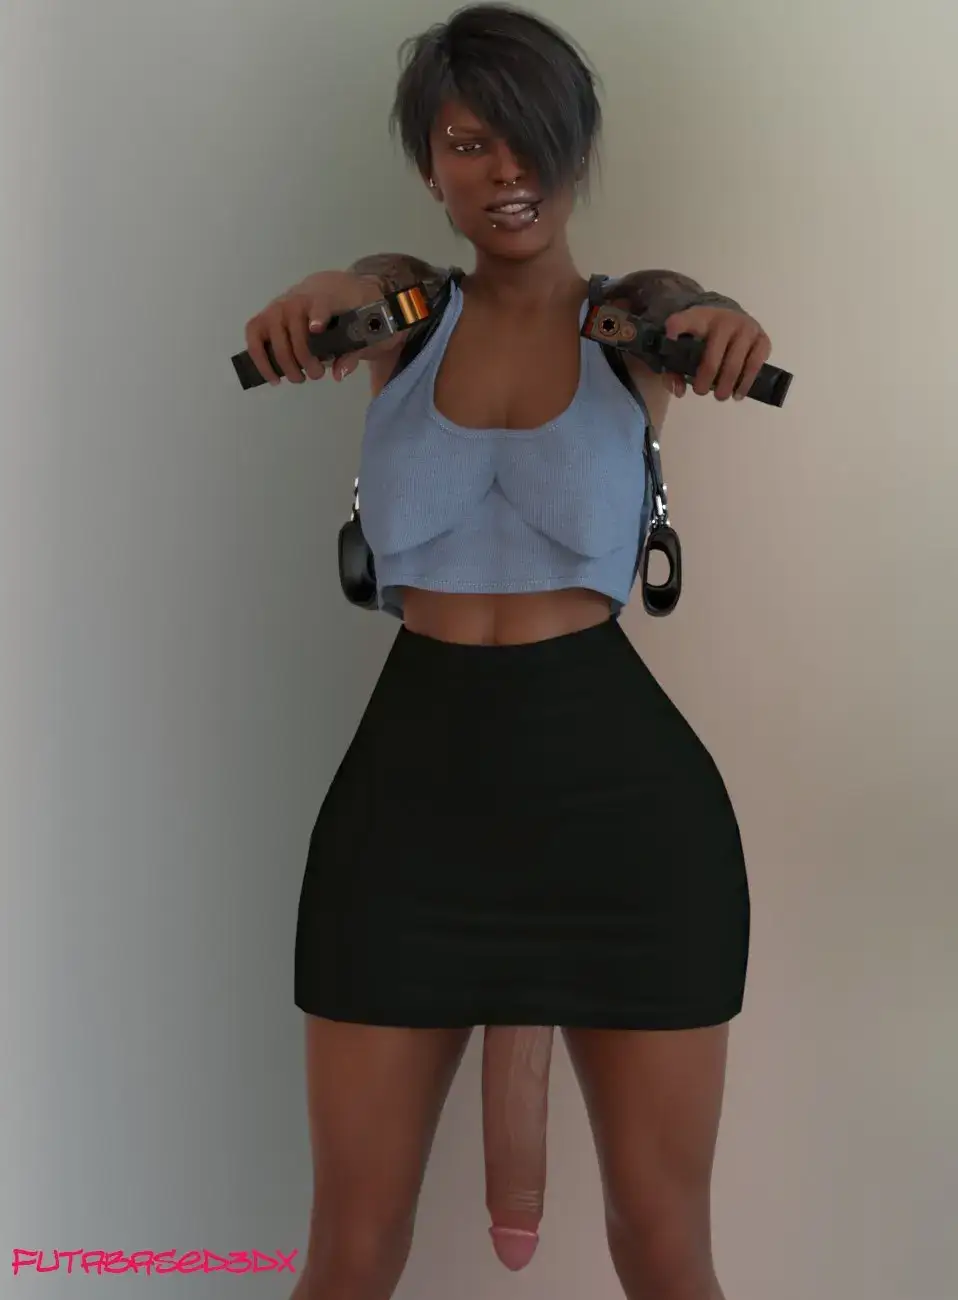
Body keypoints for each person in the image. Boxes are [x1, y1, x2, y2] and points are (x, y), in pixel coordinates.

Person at [243, 6, 772, 1298]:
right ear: (433, 168)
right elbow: (359, 287)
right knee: (348, 1254)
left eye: (531, 137)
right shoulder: (405, 314)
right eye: (469, 143)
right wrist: (317, 301)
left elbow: (680, 301)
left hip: (626, 830)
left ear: (577, 148)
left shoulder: (627, 325)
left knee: (664, 1248)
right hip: (407, 822)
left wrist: (718, 317)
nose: (506, 170)